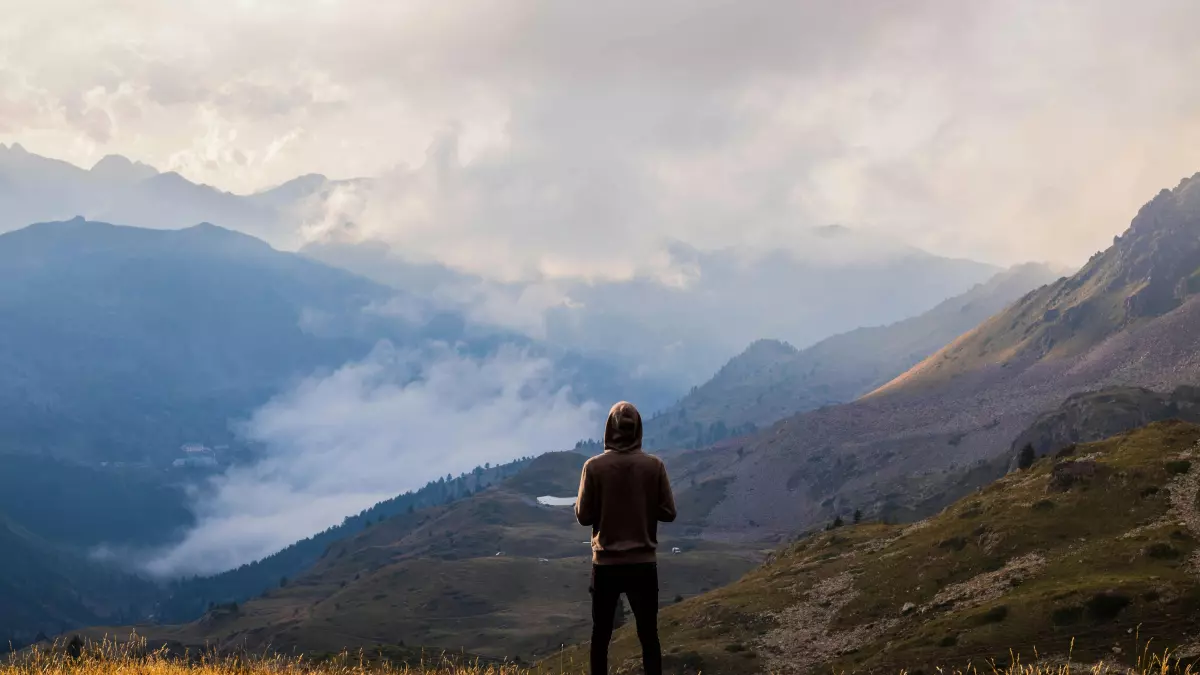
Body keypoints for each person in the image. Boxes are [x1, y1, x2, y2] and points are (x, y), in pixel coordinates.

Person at [575, 401, 676, 675]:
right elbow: (669, 512)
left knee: (601, 637)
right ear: (638, 429)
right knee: (649, 636)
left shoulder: (593, 467)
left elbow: (583, 516)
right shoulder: (654, 466)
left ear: (609, 428)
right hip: (643, 564)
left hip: (606, 565)